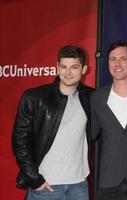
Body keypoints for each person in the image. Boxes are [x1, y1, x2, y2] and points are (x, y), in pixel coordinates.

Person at [12, 45, 94, 200]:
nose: (68, 72)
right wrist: (34, 179)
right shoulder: (35, 98)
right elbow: (20, 141)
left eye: (74, 67)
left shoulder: (91, 98)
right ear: (57, 67)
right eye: (63, 67)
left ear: (84, 69)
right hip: (46, 186)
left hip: (79, 186)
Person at [91, 40, 127, 200]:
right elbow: (90, 135)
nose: (117, 63)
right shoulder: (97, 98)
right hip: (109, 182)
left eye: (123, 58)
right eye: (113, 59)